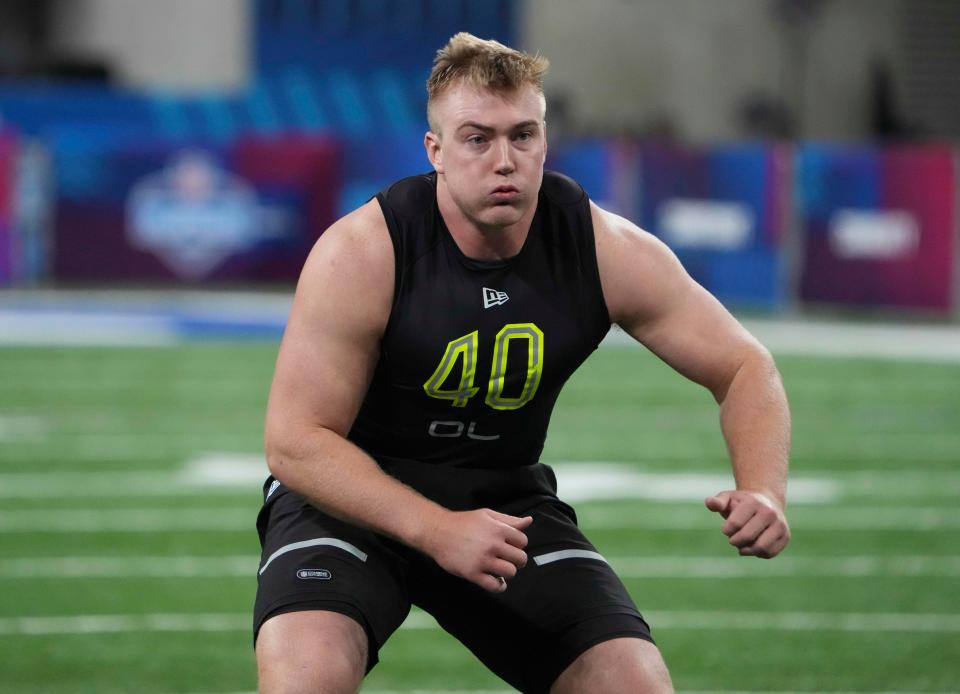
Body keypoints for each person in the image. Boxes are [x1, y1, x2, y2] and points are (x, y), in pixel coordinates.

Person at [254, 32, 791, 694]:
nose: (504, 160)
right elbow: (295, 443)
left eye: (524, 136)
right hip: (352, 498)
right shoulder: (364, 252)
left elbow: (744, 366)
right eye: (477, 138)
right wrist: (435, 529)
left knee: (633, 686)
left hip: (500, 498)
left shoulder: (600, 247)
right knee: (305, 678)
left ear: (546, 141)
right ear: (436, 152)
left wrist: (762, 487)